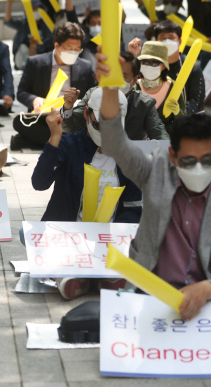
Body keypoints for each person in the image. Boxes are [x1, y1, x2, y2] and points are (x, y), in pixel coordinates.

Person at [96, 50, 211, 321]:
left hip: (207, 301)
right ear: (173, 156)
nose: (199, 168)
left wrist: (208, 288)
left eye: (208, 160)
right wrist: (110, 88)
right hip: (149, 289)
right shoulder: (155, 172)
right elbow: (115, 143)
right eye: (189, 161)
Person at [30, 89, 138, 299]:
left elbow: (135, 205)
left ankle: (99, 275)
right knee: (33, 239)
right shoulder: (68, 144)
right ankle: (83, 277)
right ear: (87, 113)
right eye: (100, 124)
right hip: (69, 234)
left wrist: (116, 236)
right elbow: (39, 183)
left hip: (110, 237)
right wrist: (54, 139)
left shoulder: (130, 153)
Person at [12, 22, 96, 150]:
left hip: (72, 117)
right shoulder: (35, 63)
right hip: (44, 117)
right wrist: (35, 100)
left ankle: (40, 141)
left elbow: (94, 94)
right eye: (69, 48)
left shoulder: (86, 67)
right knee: (19, 122)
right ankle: (65, 141)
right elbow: (21, 92)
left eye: (77, 49)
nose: (74, 52)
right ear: (56, 45)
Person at [63, 51, 169, 141]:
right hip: (94, 156)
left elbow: (159, 134)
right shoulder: (93, 94)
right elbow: (71, 127)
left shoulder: (145, 104)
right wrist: (68, 107)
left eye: (123, 76)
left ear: (134, 80)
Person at [151, 21, 205, 116]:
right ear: (156, 42)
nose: (167, 42)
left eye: (171, 38)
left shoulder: (192, 67)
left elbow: (197, 100)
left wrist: (180, 115)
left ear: (179, 41)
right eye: (162, 38)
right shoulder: (148, 66)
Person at [134, 41, 185, 130]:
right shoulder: (134, 87)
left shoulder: (173, 88)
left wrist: (178, 113)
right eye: (145, 62)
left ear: (164, 66)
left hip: (165, 141)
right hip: (138, 141)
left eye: (154, 63)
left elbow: (184, 123)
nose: (149, 66)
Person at [4, 0, 55, 69]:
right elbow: (8, 21)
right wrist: (9, 3)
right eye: (33, 9)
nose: (36, 11)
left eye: (37, 9)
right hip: (25, 56)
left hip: (43, 55)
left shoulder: (47, 23)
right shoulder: (23, 22)